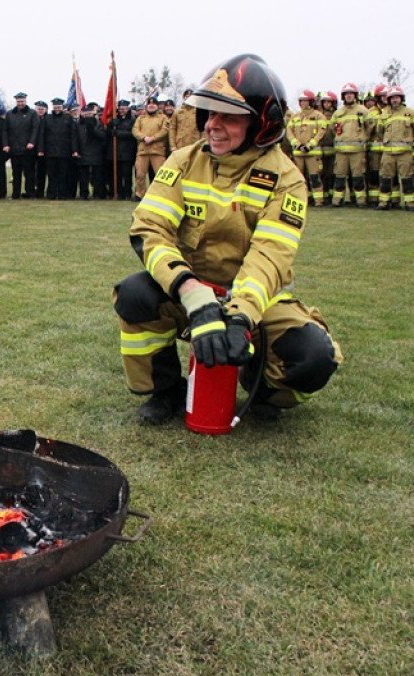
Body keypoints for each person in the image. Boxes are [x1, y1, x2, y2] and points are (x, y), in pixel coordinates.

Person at [113, 53, 342, 425]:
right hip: (191, 289)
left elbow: (270, 256)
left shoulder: (286, 179)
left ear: (263, 124)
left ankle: (260, 385)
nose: (213, 126)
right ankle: (166, 391)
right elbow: (149, 230)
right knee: (135, 293)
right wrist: (194, 295)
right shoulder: (183, 162)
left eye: (229, 116)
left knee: (315, 357)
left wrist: (240, 318)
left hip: (257, 297)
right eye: (210, 114)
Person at [375, 86, 414, 210]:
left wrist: (410, 139)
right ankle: (384, 202)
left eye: (397, 97)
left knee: (407, 178)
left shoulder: (410, 113)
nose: (395, 100)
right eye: (392, 98)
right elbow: (380, 131)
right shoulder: (385, 114)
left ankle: (409, 203)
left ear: (401, 98)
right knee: (385, 178)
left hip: (404, 153)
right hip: (388, 153)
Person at [330, 83, 373, 207]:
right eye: (346, 94)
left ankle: (360, 201)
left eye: (351, 94)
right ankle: (337, 201)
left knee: (358, 176)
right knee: (339, 176)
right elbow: (333, 129)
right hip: (341, 151)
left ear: (355, 95)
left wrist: (362, 138)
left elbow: (370, 127)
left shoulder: (363, 111)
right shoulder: (338, 113)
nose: (349, 96)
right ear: (343, 97)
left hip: (357, 151)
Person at [286, 90, 327, 206]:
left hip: (313, 153)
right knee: (299, 179)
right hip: (298, 153)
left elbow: (321, 132)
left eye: (305, 101)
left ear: (311, 102)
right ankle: (303, 199)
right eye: (301, 101)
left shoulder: (319, 116)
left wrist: (310, 145)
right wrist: (297, 144)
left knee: (314, 177)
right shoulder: (295, 116)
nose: (303, 103)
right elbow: (289, 132)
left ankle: (319, 201)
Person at [2, 92, 40, 199]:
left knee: (29, 173)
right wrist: (5, 144)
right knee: (16, 174)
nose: (20, 103)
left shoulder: (32, 113)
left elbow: (35, 129)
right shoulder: (10, 114)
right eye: (18, 101)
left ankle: (30, 193)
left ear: (26, 101)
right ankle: (15, 194)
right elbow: (5, 131)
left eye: (22, 101)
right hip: (14, 149)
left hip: (28, 149)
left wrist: (32, 142)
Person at [131, 95, 169, 200]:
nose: (151, 106)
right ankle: (140, 194)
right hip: (143, 150)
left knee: (160, 174)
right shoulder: (141, 118)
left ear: (157, 106)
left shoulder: (163, 118)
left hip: (157, 150)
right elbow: (135, 130)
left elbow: (165, 130)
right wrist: (144, 138)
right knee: (140, 175)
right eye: (149, 104)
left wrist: (153, 138)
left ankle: (161, 194)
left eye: (153, 104)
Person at [41, 97, 78, 200]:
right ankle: (51, 194)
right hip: (50, 151)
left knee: (63, 174)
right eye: (55, 107)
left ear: (62, 107)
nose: (57, 109)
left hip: (64, 151)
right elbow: (42, 135)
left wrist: (74, 150)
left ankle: (62, 194)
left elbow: (73, 135)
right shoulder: (47, 118)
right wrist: (41, 149)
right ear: (53, 107)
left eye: (59, 107)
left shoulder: (68, 118)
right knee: (51, 175)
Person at [106, 99, 137, 199]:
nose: (122, 111)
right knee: (117, 175)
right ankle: (119, 193)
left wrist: (118, 133)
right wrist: (112, 125)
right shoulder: (115, 120)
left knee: (127, 175)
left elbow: (133, 134)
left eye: (124, 109)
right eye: (120, 109)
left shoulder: (133, 120)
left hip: (127, 152)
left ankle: (128, 193)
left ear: (128, 109)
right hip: (115, 153)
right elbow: (108, 133)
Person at [75, 103, 106, 199]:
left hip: (96, 152)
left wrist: (93, 129)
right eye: (86, 114)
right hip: (82, 152)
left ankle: (97, 194)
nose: (88, 116)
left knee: (97, 176)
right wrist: (75, 150)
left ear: (93, 114)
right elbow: (75, 139)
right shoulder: (78, 125)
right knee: (83, 177)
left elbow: (102, 137)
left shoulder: (98, 124)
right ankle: (84, 194)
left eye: (90, 114)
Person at [168, 89, 201, 153]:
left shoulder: (199, 112)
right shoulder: (177, 112)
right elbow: (172, 129)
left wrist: (201, 146)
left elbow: (202, 130)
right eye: (187, 96)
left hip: (194, 146)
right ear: (184, 98)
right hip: (179, 146)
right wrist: (173, 146)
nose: (189, 98)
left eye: (191, 96)